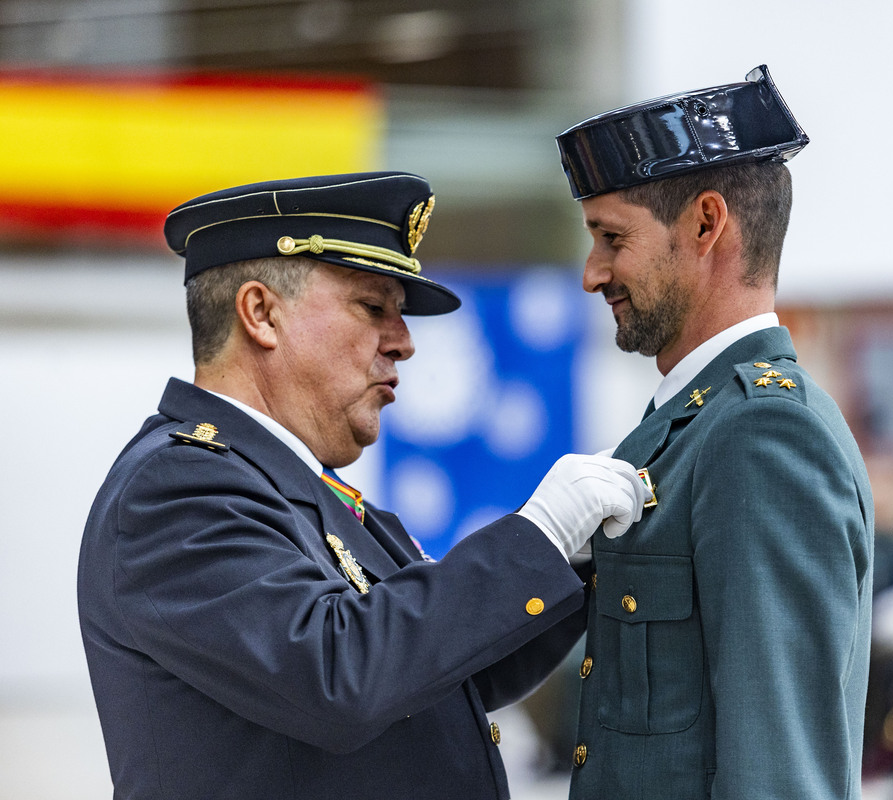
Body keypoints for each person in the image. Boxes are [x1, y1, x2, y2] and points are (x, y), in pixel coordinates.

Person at [77, 171, 649, 799]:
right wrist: (536, 535)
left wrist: (572, 558)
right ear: (262, 314)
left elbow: (454, 674)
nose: (403, 343)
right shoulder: (176, 489)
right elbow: (337, 676)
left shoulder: (302, 490)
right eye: (374, 307)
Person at [554, 66, 876, 799]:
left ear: (705, 224)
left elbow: (780, 767)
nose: (591, 272)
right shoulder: (694, 423)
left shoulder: (762, 433)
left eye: (611, 238)